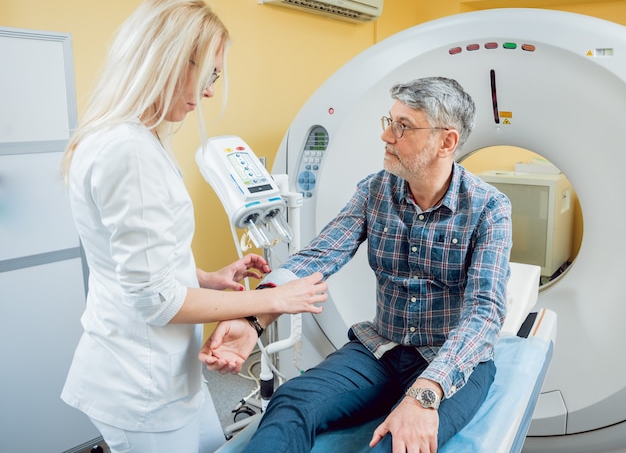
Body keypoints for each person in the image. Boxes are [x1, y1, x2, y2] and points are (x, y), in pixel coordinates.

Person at [60, 0, 327, 453]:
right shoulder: (128, 150)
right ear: (167, 61)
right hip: (140, 382)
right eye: (208, 74)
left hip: (164, 370)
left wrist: (207, 277)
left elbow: (138, 264)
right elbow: (155, 299)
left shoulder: (131, 136)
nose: (208, 92)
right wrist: (273, 302)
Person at [201, 77, 513, 452]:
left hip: (450, 360)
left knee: (398, 444)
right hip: (381, 349)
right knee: (292, 401)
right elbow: (320, 255)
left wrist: (426, 392)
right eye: (389, 121)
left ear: (446, 142)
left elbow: (485, 312)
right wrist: (254, 316)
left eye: (403, 127)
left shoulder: (489, 208)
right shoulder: (375, 190)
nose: (386, 136)